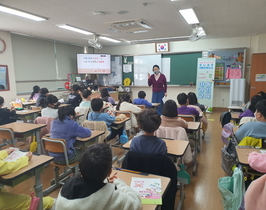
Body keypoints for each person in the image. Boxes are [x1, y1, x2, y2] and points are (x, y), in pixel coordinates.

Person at [55, 143, 142, 210]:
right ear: (109, 172)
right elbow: (136, 204)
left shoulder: (67, 185)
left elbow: (89, 188)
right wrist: (119, 183)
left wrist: (105, 183)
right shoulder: (110, 196)